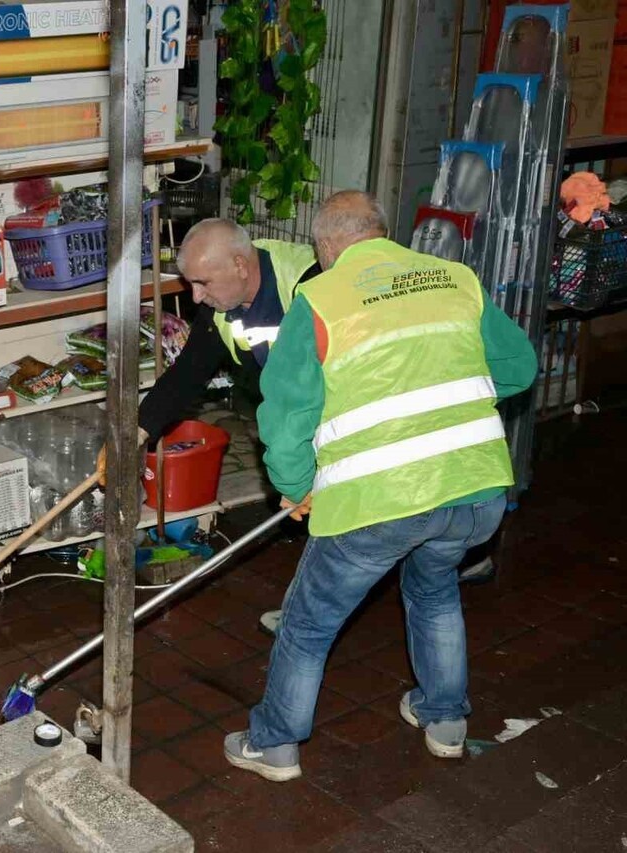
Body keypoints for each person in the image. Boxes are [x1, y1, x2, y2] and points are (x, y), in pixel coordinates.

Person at [222, 191, 537, 782]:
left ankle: (276, 744)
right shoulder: (456, 278)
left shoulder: (320, 298)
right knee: (436, 589)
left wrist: (294, 487)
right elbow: (518, 365)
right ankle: (444, 721)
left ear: (325, 247)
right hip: (476, 495)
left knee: (307, 622)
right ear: (382, 232)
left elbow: (286, 412)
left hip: (378, 504)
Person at [98, 218, 319, 477]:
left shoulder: (311, 285)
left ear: (240, 266)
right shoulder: (219, 306)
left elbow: (322, 388)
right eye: (191, 283)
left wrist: (305, 472)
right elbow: (188, 372)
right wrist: (130, 436)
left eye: (203, 283)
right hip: (290, 426)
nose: (196, 297)